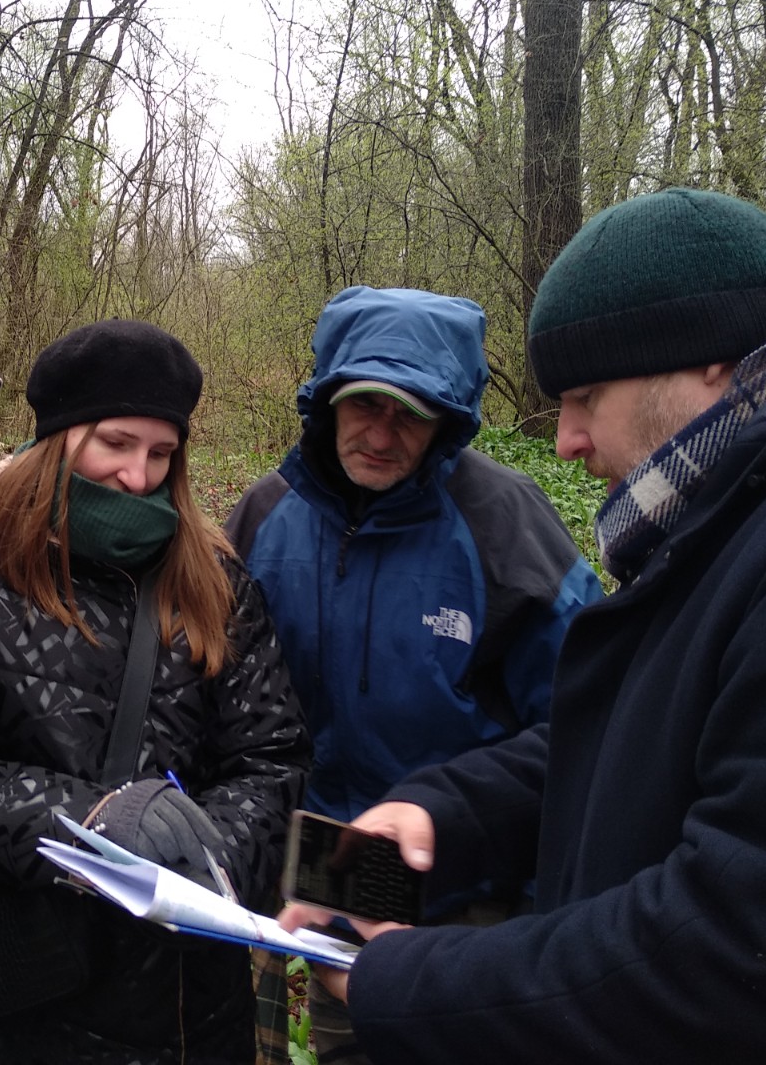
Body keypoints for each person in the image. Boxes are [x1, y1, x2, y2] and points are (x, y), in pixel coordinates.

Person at [283, 188, 766, 1062]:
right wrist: (450, 810)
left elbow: (758, 950)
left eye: (586, 394)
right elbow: (648, 730)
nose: (566, 440)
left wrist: (409, 977)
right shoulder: (746, 499)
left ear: (706, 358)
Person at [0, 320, 311, 1064]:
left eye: (161, 453)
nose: (138, 477)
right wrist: (96, 823)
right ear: (60, 438)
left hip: (184, 1001)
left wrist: (206, 855)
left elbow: (272, 762)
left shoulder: (217, 583)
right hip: (9, 992)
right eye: (116, 443)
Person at [224, 286, 603, 1059]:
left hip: (453, 903)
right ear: (327, 400)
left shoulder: (507, 524)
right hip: (302, 879)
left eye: (412, 412)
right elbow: (218, 692)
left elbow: (588, 723)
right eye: (364, 403)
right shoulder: (268, 514)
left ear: (449, 421)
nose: (381, 433)